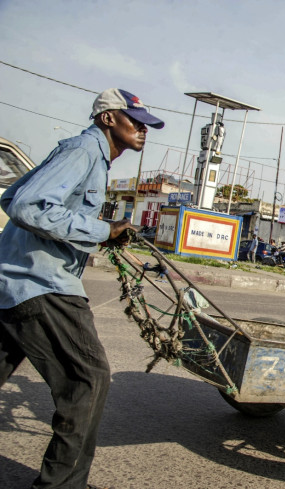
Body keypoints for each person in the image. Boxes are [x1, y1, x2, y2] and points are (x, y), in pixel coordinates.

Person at [0, 88, 164, 489]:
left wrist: (105, 236)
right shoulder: (84, 150)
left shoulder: (89, 156)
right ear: (109, 119)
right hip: (42, 284)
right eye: (135, 121)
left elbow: (13, 196)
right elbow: (25, 205)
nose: (143, 130)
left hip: (16, 283)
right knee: (88, 378)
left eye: (145, 124)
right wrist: (100, 229)